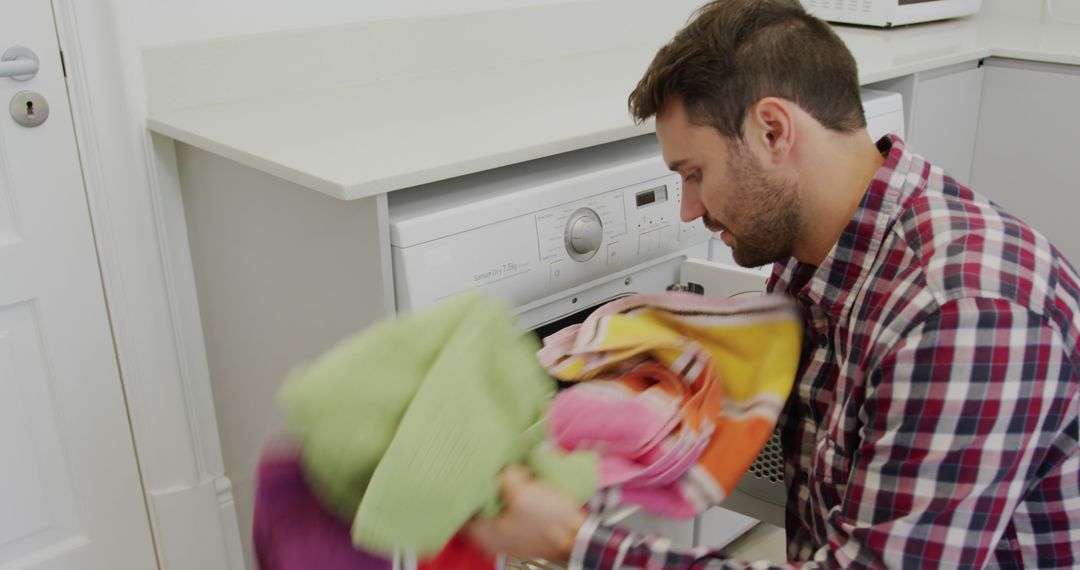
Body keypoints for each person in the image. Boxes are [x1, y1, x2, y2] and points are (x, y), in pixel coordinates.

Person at [464, 0, 1080, 567]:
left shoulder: (964, 313)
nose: (687, 208)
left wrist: (573, 541)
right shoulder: (820, 253)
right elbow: (728, 397)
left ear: (773, 131)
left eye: (695, 172)